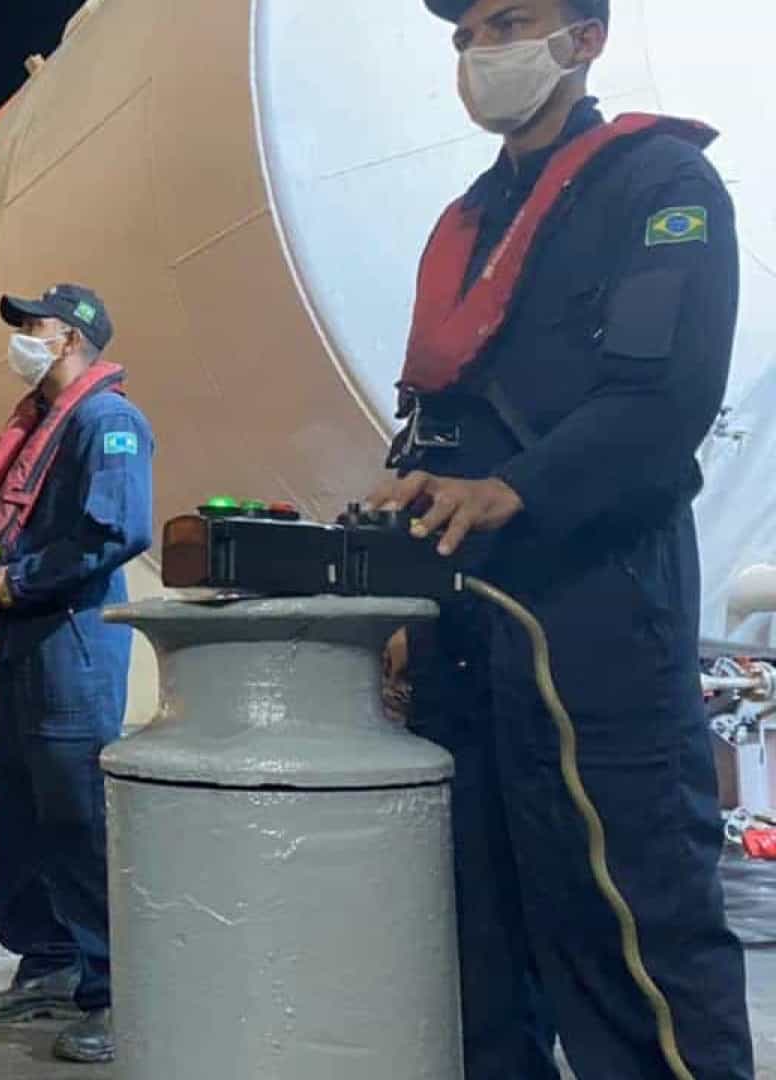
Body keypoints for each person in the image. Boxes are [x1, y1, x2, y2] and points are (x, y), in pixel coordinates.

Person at [370, 1, 751, 1075]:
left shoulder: (661, 190)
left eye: (510, 22)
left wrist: (513, 490)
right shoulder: (472, 216)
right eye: (465, 35)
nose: (479, 51)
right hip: (465, 619)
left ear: (584, 39)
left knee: (627, 930)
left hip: (590, 612)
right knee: (481, 940)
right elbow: (446, 410)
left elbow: (661, 401)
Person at [0, 284, 153, 1065]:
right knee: (21, 803)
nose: (22, 339)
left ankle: (113, 992)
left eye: (32, 326)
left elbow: (118, 529)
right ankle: (48, 962)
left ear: (69, 339)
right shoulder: (45, 425)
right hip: (30, 645)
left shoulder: (108, 423)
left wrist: (23, 579)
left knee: (77, 819)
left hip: (71, 644)